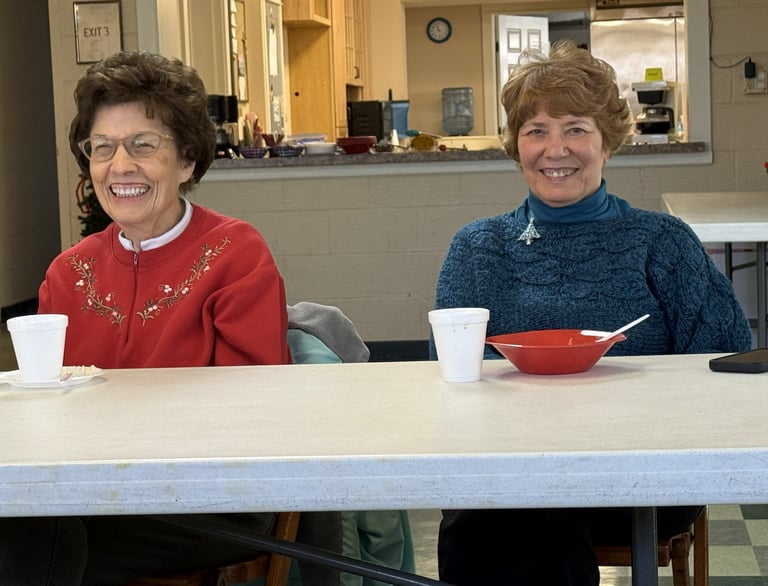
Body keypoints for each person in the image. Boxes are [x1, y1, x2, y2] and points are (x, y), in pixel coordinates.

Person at [431, 40, 752, 586]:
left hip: (642, 468)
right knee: (509, 506)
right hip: (511, 466)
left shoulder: (661, 241)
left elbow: (725, 361)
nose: (555, 149)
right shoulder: (478, 247)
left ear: (608, 141)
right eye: (536, 130)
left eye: (576, 128)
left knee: (522, 512)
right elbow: (450, 381)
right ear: (517, 146)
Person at [0, 51, 303, 585]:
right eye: (102, 147)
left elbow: (252, 412)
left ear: (187, 160)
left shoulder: (234, 254)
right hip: (86, 493)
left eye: (143, 144)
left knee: (34, 538)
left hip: (209, 498)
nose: (120, 165)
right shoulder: (68, 273)